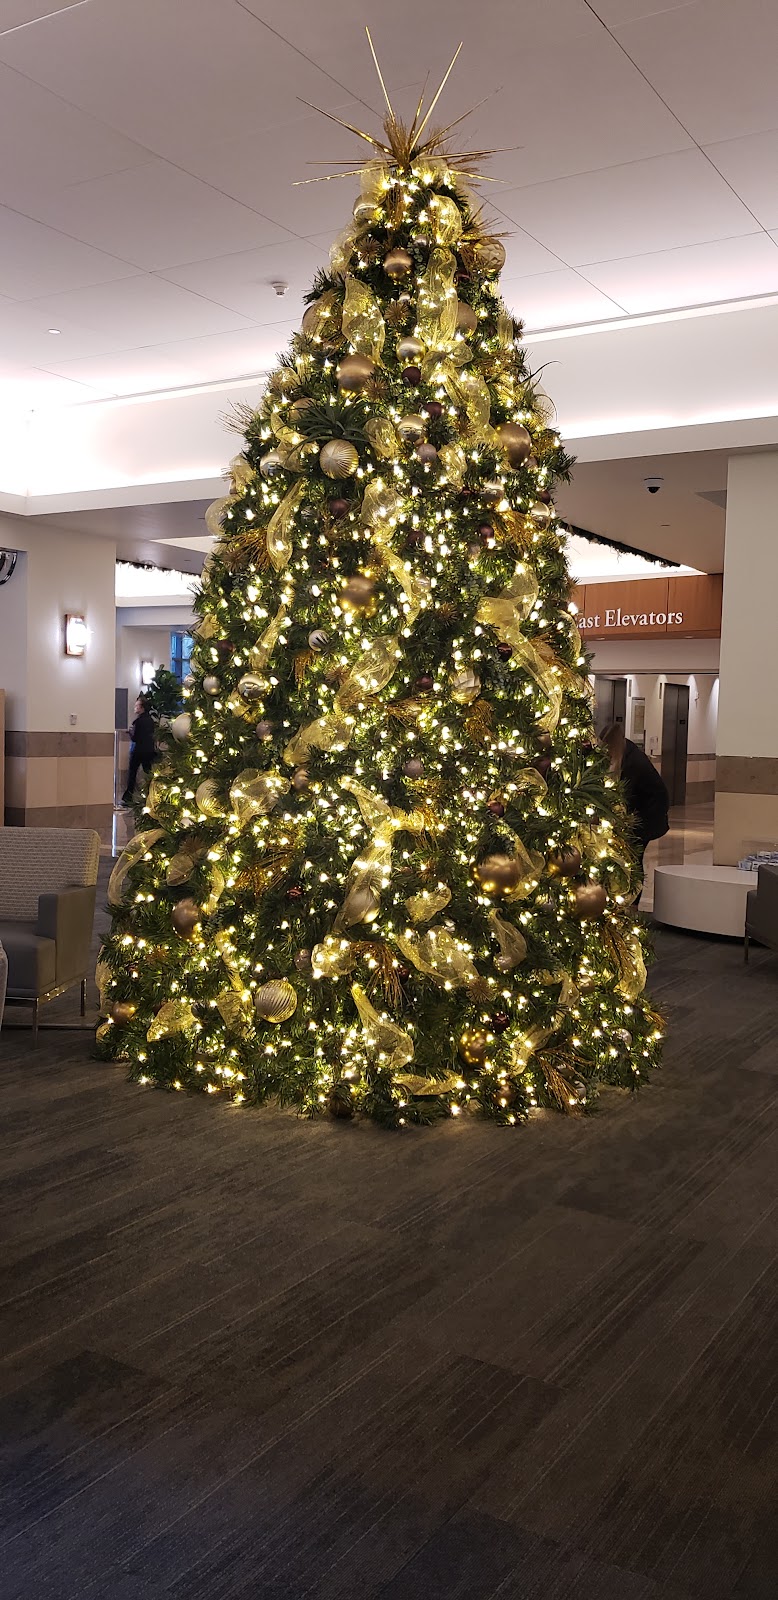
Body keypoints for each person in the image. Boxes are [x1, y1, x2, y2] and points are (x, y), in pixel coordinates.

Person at [600, 721, 669, 891]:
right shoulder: (626, 754)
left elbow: (626, 795)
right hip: (642, 816)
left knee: (634, 859)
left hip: (645, 820)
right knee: (631, 858)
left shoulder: (633, 763)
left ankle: (633, 897)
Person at [122, 695, 157, 805]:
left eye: (137, 705)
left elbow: (135, 738)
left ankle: (128, 797)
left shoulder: (139, 721)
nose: (135, 707)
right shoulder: (151, 721)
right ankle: (150, 796)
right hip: (149, 751)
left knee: (132, 774)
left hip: (137, 751)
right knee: (148, 774)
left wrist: (130, 732)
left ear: (142, 708)